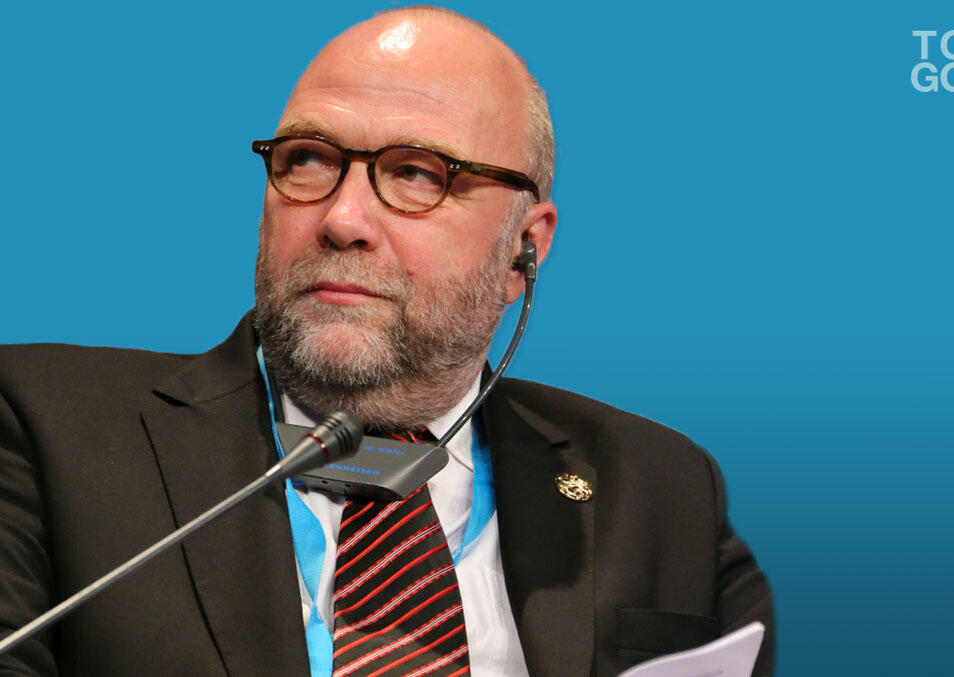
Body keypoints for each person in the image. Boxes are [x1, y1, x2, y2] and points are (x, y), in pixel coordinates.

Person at [0, 6, 773, 676]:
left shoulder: (661, 487)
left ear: (524, 249)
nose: (342, 219)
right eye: (309, 160)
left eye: (417, 173)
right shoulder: (44, 429)